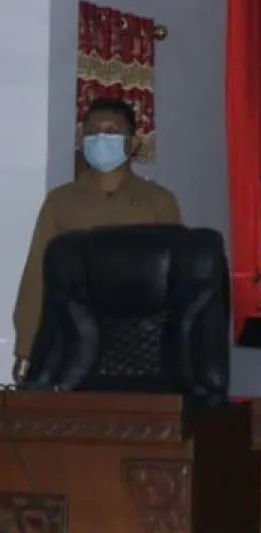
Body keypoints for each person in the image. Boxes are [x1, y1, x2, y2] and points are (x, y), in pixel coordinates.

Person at [11, 97, 181, 383]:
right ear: (81, 140)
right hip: (73, 342)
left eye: (111, 131)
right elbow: (37, 276)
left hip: (142, 346)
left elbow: (177, 281)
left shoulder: (159, 202)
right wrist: (26, 349)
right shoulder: (61, 201)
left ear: (133, 143)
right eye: (93, 132)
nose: (101, 138)